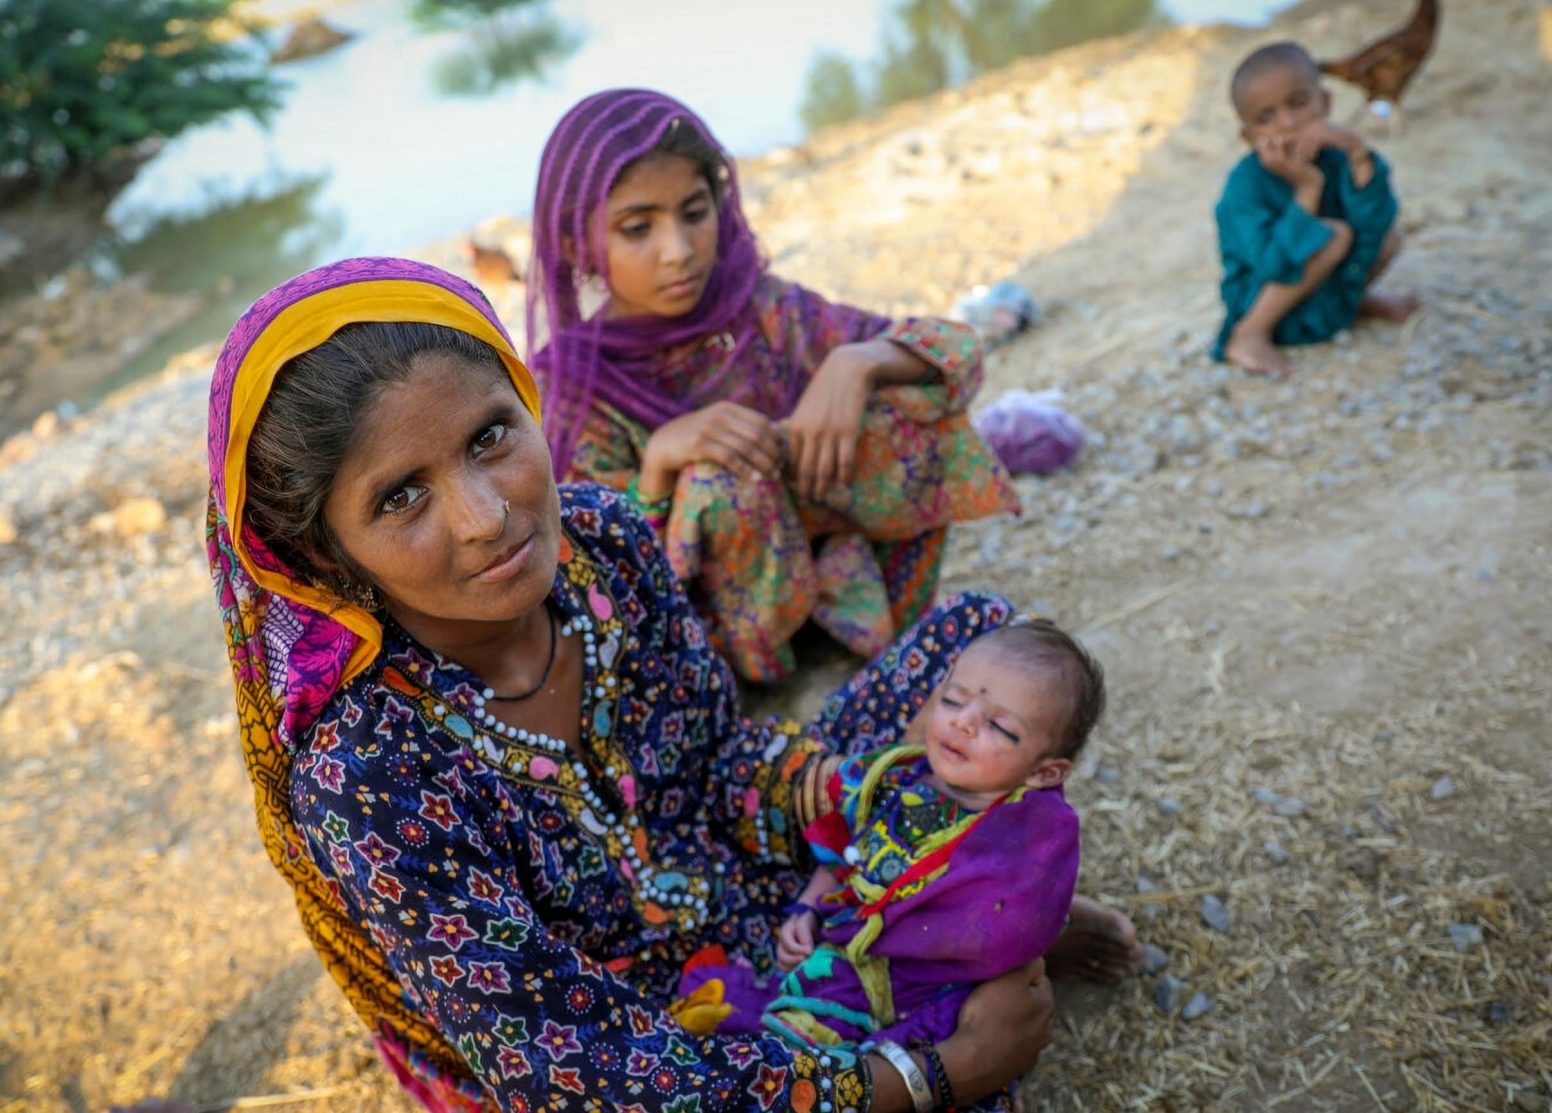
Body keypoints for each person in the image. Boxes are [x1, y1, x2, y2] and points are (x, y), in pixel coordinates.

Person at [206, 256, 1137, 1112]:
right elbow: (570, 1065)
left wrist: (894, 836)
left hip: (749, 890)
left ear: (530, 404)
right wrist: (919, 1075)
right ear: (321, 558)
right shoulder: (366, 769)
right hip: (635, 1029)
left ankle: (949, 903)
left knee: (977, 645)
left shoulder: (601, 540)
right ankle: (935, 944)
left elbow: (722, 758)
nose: (486, 516)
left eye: (491, 435)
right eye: (400, 496)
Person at [528, 89, 1019, 682]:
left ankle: (880, 628)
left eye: (694, 212)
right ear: (577, 244)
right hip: (707, 641)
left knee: (905, 401)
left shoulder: (764, 312)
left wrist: (859, 363)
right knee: (721, 478)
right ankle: (768, 681)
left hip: (841, 574)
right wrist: (659, 466)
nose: (678, 251)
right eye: (637, 228)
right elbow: (586, 563)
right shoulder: (574, 385)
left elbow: (957, 351)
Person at [678, 621, 1103, 1056]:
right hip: (841, 962)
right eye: (953, 699)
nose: (963, 723)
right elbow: (847, 853)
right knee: (740, 1013)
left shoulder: (1023, 846)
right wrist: (808, 909)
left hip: (924, 994)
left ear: (1043, 773)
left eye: (1001, 727)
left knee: (807, 1061)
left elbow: (1008, 931)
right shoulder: (899, 778)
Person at [1213, 42, 1421, 377]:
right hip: (1269, 305)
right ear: (1249, 137)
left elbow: (1375, 223)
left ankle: (1353, 301)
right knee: (1331, 236)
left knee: (1388, 238)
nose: (1288, 122)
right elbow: (1271, 265)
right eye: (1266, 118)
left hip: (1325, 295)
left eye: (1298, 103)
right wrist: (1307, 188)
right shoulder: (1244, 185)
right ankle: (1249, 335)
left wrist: (1356, 149)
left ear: (1325, 102)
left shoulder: (1336, 158)